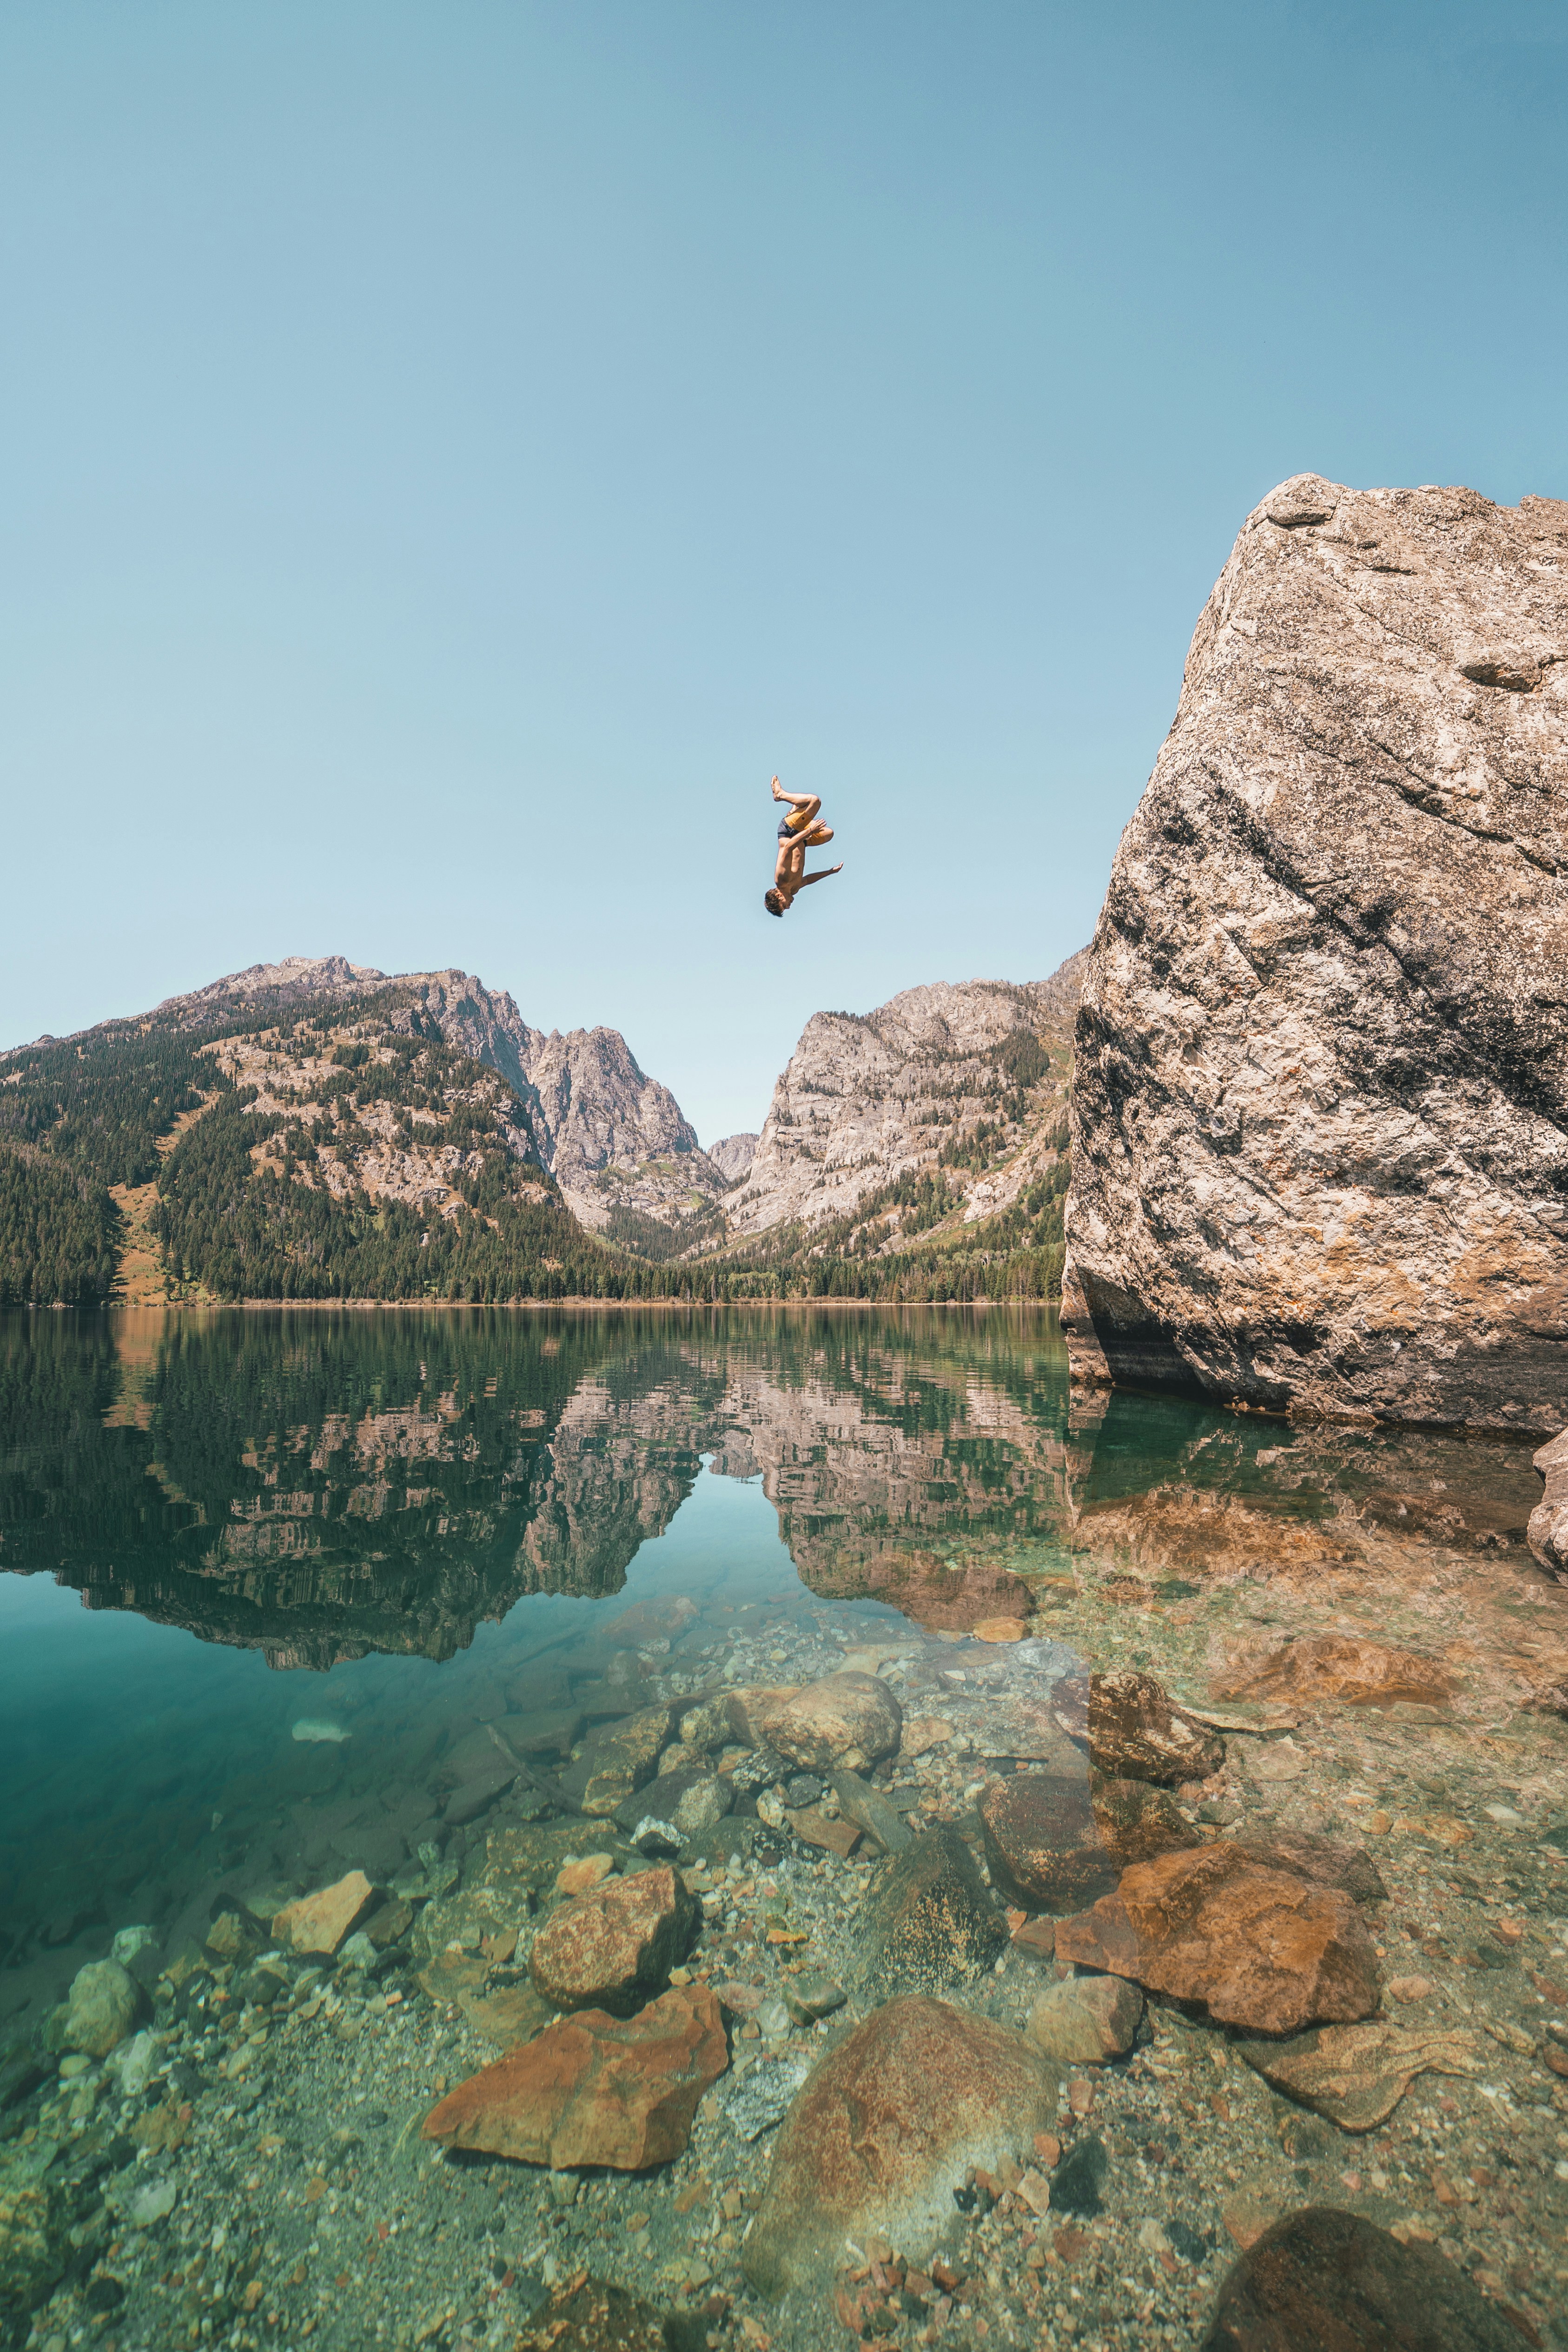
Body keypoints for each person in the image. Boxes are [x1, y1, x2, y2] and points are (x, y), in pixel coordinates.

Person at [764, 776, 843, 917]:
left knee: (815, 802)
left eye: (784, 906)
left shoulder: (781, 878)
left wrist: (810, 831)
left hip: (788, 831)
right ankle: (797, 813)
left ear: (778, 896)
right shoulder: (794, 889)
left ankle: (780, 795)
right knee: (829, 834)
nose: (788, 907)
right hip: (803, 840)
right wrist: (830, 872)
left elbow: (787, 847)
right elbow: (807, 880)